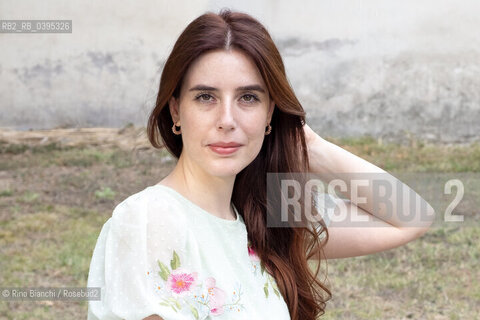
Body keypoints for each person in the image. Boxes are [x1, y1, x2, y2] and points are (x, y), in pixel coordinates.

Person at [86, 8, 435, 320]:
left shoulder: (262, 217)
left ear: (270, 113)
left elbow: (410, 216)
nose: (227, 119)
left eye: (248, 98)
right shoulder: (148, 220)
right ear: (176, 110)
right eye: (205, 97)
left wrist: (310, 146)